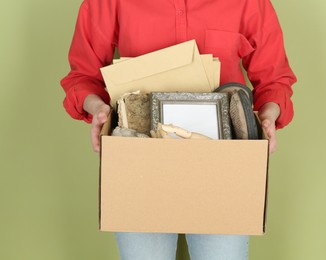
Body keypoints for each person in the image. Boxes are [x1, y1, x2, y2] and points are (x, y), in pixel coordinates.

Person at [61, 0, 296, 259]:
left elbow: (274, 80)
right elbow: (83, 77)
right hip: (139, 159)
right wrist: (97, 109)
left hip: (224, 163)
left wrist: (269, 115)